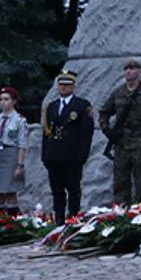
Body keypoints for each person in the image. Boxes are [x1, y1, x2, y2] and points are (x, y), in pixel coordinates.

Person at [99, 58, 141, 206]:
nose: (129, 72)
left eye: (133, 69)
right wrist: (107, 130)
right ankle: (121, 211)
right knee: (120, 182)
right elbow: (104, 112)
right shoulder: (118, 93)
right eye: (126, 69)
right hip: (121, 144)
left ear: (139, 72)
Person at [40, 71, 94, 221]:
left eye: (67, 85)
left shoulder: (82, 105)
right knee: (56, 189)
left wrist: (82, 156)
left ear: (73, 86)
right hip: (53, 155)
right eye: (61, 84)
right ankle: (59, 218)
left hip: (72, 155)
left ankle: (73, 217)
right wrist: (45, 155)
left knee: (73, 189)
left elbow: (86, 133)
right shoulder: (52, 106)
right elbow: (46, 133)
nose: (63, 87)